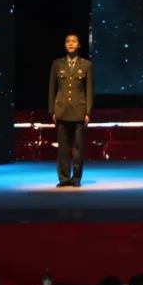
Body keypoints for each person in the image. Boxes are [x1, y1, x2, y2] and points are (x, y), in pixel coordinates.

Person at [49, 33, 94, 187]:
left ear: (79, 45)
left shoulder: (86, 64)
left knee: (78, 148)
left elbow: (89, 90)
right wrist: (52, 111)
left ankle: (76, 178)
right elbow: (52, 88)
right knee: (62, 148)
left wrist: (88, 112)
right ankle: (63, 178)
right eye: (68, 41)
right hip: (61, 110)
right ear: (64, 45)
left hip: (78, 111)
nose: (71, 43)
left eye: (74, 41)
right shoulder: (57, 64)